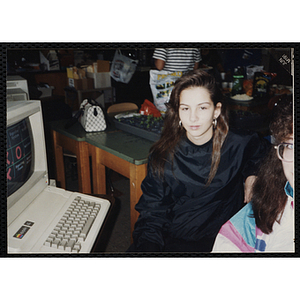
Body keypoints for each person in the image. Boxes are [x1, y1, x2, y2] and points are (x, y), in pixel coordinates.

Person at [129, 69, 269, 252]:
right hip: (177, 239)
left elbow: (264, 153)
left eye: (202, 108)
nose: (192, 117)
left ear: (216, 110)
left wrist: (253, 172)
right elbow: (152, 213)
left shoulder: (238, 143)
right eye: (185, 108)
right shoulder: (163, 155)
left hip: (224, 239)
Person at [212, 96, 294, 253]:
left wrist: (252, 172)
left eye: (202, 107)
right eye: (291, 145)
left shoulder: (237, 140)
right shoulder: (270, 204)